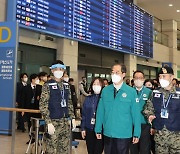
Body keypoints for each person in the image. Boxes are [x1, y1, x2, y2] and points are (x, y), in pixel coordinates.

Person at [95, 63, 141, 154]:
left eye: (117, 72)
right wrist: (98, 128)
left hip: (123, 134)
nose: (114, 75)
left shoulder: (131, 92)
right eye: (112, 72)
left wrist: (137, 133)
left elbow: (136, 114)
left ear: (123, 74)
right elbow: (100, 111)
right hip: (108, 132)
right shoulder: (105, 91)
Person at [39, 60, 76, 154]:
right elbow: (43, 105)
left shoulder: (67, 86)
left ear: (64, 70)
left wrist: (72, 118)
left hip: (65, 122)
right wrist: (48, 122)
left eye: (61, 69)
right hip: (53, 122)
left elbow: (70, 103)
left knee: (64, 149)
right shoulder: (47, 85)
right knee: (52, 150)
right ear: (52, 71)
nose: (58, 71)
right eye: (56, 69)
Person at [143, 66, 180, 154]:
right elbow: (148, 108)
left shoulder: (178, 93)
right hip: (160, 137)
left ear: (171, 77)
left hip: (176, 137)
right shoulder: (155, 92)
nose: (161, 79)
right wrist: (150, 115)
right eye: (160, 76)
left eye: (164, 76)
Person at [130, 71, 152, 154]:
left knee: (144, 149)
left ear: (143, 79)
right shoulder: (129, 91)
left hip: (145, 125)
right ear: (133, 79)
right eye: (136, 78)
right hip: (132, 124)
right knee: (133, 148)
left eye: (140, 78)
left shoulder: (149, 92)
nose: (138, 80)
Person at [81, 77, 104, 154]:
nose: (96, 86)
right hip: (89, 128)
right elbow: (84, 114)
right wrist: (83, 128)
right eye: (94, 84)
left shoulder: (104, 98)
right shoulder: (88, 98)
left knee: (98, 151)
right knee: (90, 151)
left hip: (101, 130)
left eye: (98, 84)